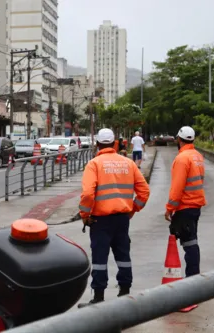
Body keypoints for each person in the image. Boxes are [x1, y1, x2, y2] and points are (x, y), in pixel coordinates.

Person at [77, 128, 150, 306]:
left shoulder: (94, 164)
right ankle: (125, 293)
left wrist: (85, 215)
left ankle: (99, 298)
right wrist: (132, 210)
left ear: (97, 145)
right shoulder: (128, 163)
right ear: (115, 143)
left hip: (100, 220)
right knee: (123, 255)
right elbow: (144, 192)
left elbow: (87, 194)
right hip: (122, 218)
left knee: (100, 258)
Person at [165, 126, 206, 278]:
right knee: (192, 241)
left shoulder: (182, 159)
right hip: (195, 205)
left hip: (186, 206)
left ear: (179, 140)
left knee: (190, 244)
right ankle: (194, 278)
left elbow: (177, 187)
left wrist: (169, 208)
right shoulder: (197, 156)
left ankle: (192, 281)